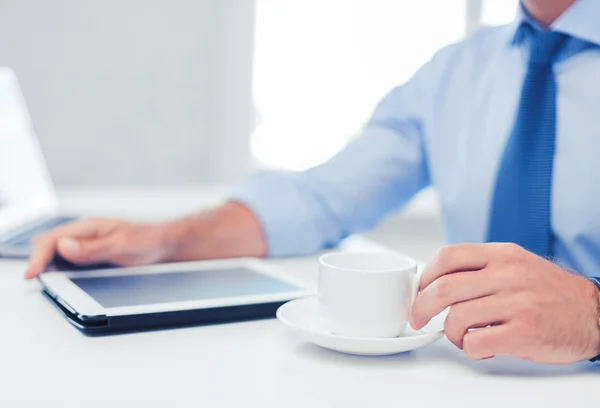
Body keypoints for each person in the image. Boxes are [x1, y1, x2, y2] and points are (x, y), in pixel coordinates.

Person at [25, 0, 600, 365]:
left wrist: (593, 315)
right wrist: (161, 241)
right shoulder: (455, 71)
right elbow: (322, 199)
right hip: (475, 385)